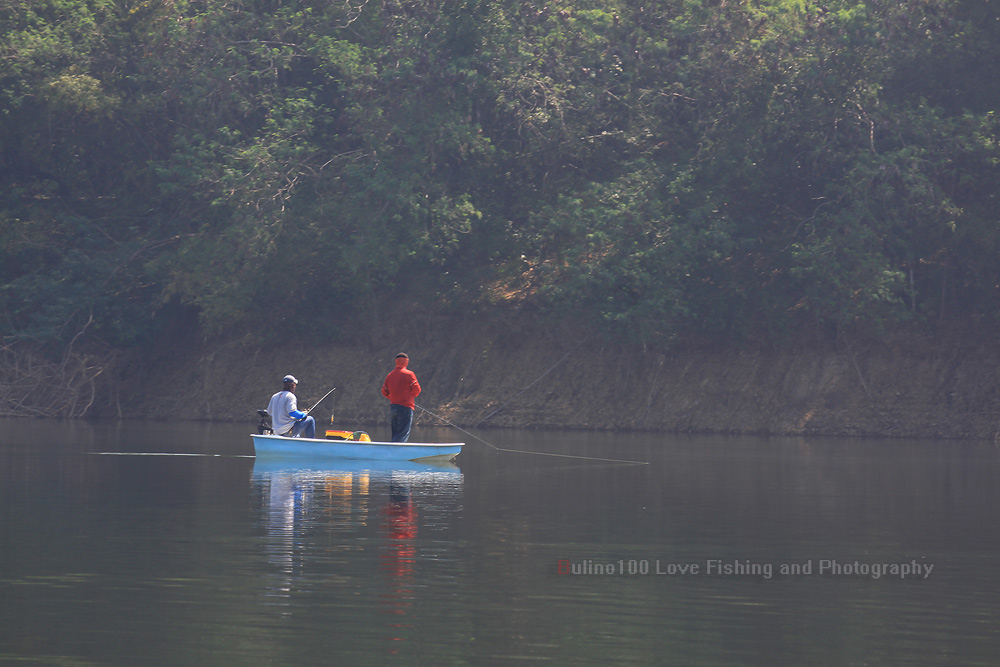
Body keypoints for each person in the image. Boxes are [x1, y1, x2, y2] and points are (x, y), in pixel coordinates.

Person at [381, 353, 421, 442]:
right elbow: (417, 390)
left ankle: (392, 449)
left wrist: (393, 397)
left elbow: (384, 391)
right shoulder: (409, 374)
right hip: (406, 407)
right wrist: (410, 396)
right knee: (403, 433)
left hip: (393, 406)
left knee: (395, 432)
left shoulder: (390, 375)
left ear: (396, 362)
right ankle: (396, 452)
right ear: (406, 362)